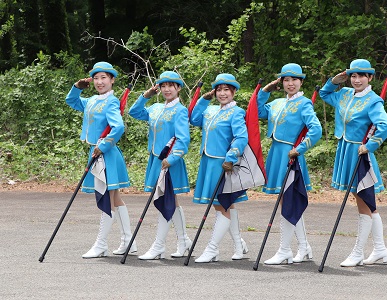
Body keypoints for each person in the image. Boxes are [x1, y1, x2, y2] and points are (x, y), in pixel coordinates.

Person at [319, 58, 387, 267]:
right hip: (345, 151)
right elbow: (324, 94)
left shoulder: (373, 100)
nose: (356, 79)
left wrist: (370, 146)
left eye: (361, 75)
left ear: (370, 77)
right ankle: (380, 250)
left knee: (363, 203)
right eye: (353, 75)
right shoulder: (343, 94)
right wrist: (334, 81)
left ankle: (358, 252)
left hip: (359, 154)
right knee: (368, 203)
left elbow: (385, 126)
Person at [65, 61, 136, 258]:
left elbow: (118, 127)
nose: (99, 81)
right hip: (97, 153)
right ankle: (129, 241)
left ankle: (101, 244)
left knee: (106, 199)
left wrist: (103, 146)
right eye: (96, 78)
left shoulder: (111, 102)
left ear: (112, 80)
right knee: (115, 198)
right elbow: (71, 101)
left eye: (103, 77)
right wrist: (78, 87)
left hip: (105, 154)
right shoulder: (92, 100)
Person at [257, 63, 322, 265]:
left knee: (288, 201)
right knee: (288, 202)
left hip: (291, 156)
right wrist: (265, 91)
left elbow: (316, 129)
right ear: (281, 82)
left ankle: (284, 250)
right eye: (286, 80)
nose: (290, 83)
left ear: (301, 82)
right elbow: (258, 111)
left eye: (294, 79)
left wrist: (300, 149)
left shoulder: (304, 104)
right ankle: (303, 247)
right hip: (276, 154)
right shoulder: (276, 103)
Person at [129, 71, 191, 260]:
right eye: (163, 86)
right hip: (155, 160)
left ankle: (159, 246)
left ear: (178, 88)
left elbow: (183, 139)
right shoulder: (155, 107)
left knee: (165, 200)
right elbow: (134, 112)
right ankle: (183, 240)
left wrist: (171, 159)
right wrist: (145, 96)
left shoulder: (180, 110)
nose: (166, 89)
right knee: (171, 201)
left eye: (170, 85)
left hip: (168, 162)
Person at [190, 73, 249, 263]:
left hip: (222, 163)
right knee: (224, 205)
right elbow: (194, 119)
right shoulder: (211, 110)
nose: (222, 94)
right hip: (208, 161)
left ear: (233, 91)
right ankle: (239, 245)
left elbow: (241, 137)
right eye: (219, 90)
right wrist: (203, 99)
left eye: (226, 90)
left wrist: (231, 157)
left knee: (220, 204)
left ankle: (212, 248)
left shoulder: (237, 112)